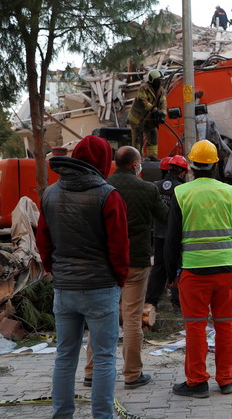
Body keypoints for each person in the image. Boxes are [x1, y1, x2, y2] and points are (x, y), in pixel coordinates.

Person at [35, 135, 129, 419]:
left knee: (65, 356)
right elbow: (119, 247)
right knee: (104, 358)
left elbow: (43, 242)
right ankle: (102, 415)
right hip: (101, 287)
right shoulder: (109, 195)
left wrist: (56, 271)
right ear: (104, 161)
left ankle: (61, 415)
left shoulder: (50, 193)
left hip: (65, 289)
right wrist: (119, 280)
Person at [81, 146, 167, 390]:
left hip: (105, 262)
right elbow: (165, 217)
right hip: (136, 262)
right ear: (134, 164)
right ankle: (132, 374)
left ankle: (92, 373)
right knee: (131, 319)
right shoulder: (147, 189)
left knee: (100, 316)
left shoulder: (101, 188)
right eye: (140, 161)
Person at [165, 140, 232, 398]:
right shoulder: (228, 191)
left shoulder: (182, 193)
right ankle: (226, 380)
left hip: (194, 272)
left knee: (196, 328)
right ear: (215, 165)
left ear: (191, 165)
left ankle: (197, 382)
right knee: (226, 325)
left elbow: (172, 239)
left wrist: (170, 273)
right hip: (227, 270)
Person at [146, 155, 188, 310]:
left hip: (159, 234)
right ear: (182, 173)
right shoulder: (182, 189)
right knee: (178, 267)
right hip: (176, 236)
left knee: (159, 267)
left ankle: (151, 301)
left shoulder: (155, 186)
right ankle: (177, 303)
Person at [127, 69, 166, 161]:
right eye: (158, 80)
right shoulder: (143, 88)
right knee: (137, 138)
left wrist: (163, 114)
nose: (160, 82)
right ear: (152, 80)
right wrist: (156, 110)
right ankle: (137, 157)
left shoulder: (161, 90)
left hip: (149, 119)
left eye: (160, 80)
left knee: (153, 135)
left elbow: (163, 103)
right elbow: (143, 102)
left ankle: (152, 156)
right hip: (137, 118)